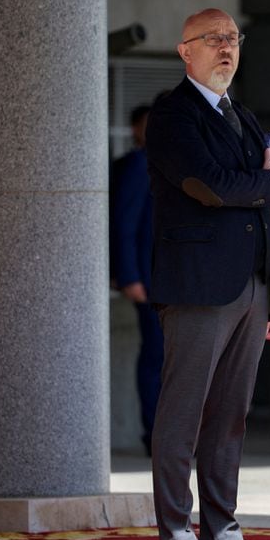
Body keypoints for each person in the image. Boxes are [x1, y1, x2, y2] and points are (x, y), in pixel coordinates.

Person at [146, 8, 270, 540]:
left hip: (251, 286)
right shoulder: (172, 115)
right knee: (184, 413)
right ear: (186, 51)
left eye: (233, 39)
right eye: (213, 40)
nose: (226, 48)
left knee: (230, 416)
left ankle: (223, 532)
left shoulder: (244, 115)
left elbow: (257, 207)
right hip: (199, 288)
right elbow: (210, 187)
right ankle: (177, 539)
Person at [111, 104, 162, 452]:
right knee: (157, 356)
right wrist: (128, 275)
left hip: (179, 281)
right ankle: (155, 433)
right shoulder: (138, 165)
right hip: (149, 280)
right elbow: (124, 225)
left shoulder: (175, 162)